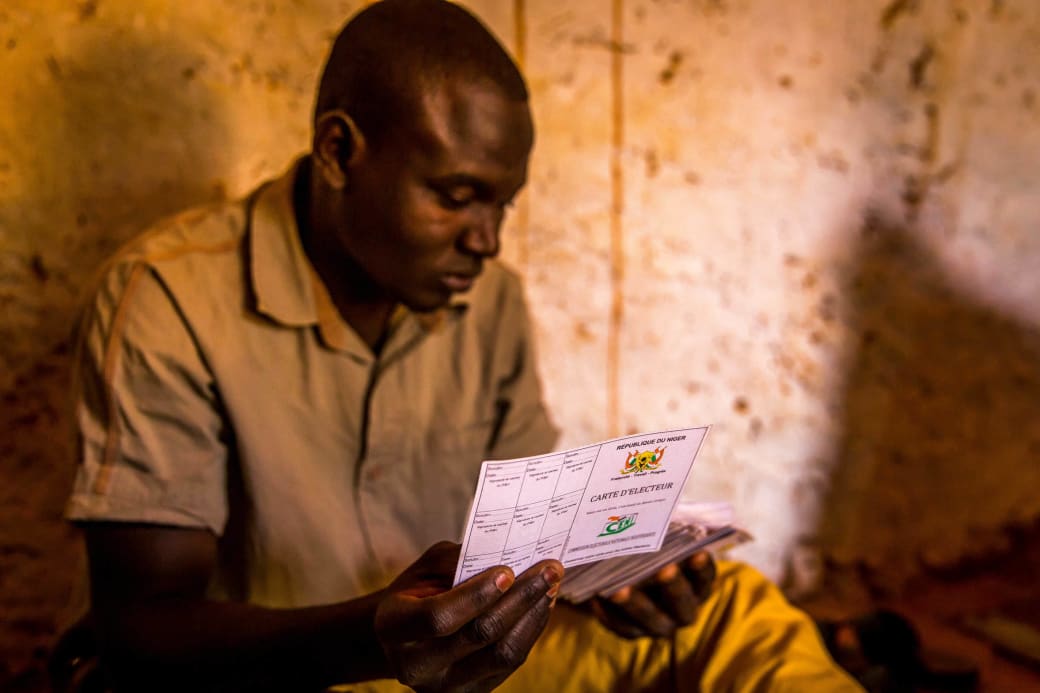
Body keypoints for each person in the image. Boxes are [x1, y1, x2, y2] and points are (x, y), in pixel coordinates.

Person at [64, 0, 862, 690]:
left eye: (503, 206)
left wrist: (613, 583)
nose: (486, 241)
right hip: (289, 678)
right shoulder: (167, 300)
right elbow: (143, 636)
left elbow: (535, 545)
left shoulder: (490, 303)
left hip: (470, 666)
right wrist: (370, 641)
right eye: (456, 197)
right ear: (340, 151)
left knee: (731, 608)